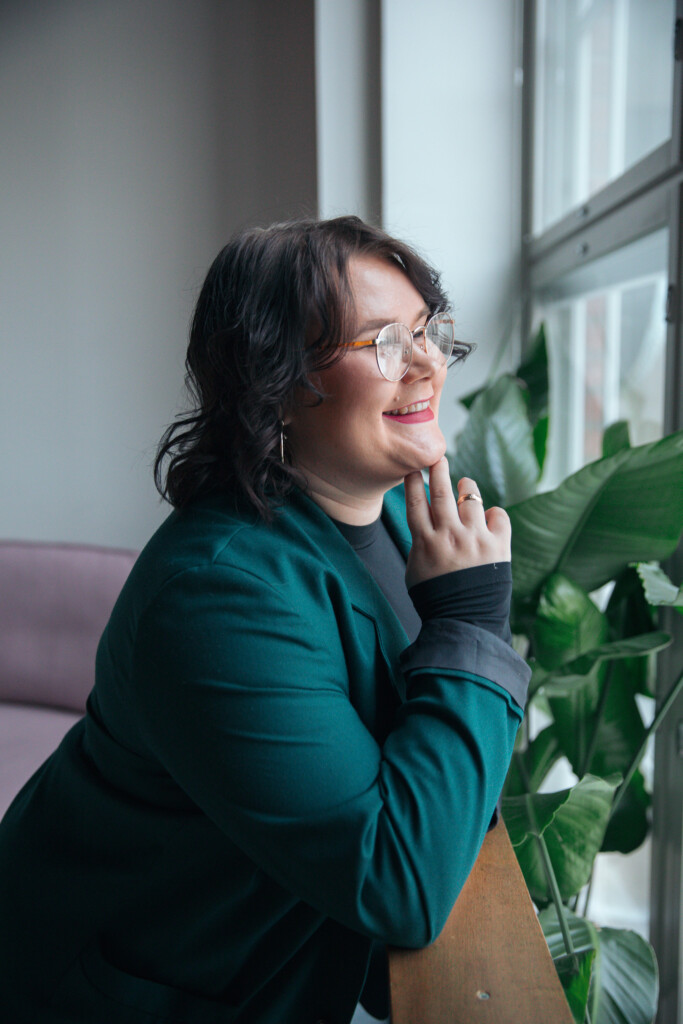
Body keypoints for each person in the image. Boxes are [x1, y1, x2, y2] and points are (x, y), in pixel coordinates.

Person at [0, 216, 530, 1024]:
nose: (426, 363)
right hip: (135, 988)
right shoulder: (215, 597)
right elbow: (400, 885)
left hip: (296, 951)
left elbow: (437, 790)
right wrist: (469, 625)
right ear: (276, 377)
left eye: (428, 332)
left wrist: (464, 625)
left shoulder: (393, 517)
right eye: (383, 342)